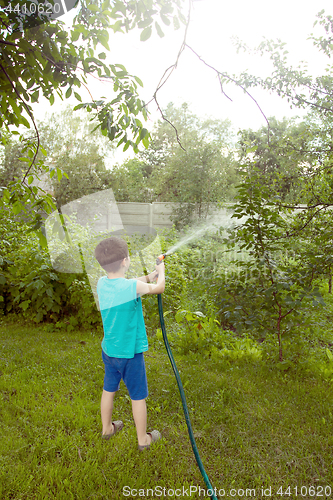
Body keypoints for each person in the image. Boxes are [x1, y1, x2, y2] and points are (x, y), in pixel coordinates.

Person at [94, 236, 165, 450]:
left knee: (108, 389)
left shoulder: (101, 282)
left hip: (110, 351)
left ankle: (107, 428)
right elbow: (159, 288)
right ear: (125, 261)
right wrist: (161, 273)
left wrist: (148, 276)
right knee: (137, 396)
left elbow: (127, 284)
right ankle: (143, 439)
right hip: (130, 355)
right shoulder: (132, 286)